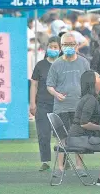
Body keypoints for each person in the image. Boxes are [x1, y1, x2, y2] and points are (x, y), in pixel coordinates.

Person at [67, 71, 100, 186]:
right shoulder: (90, 100)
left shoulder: (92, 98)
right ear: (92, 82)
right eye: (99, 77)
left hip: (80, 136)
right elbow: (84, 123)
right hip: (79, 138)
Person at [46, 32, 90, 177]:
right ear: (61, 47)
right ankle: (60, 168)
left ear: (76, 46)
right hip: (61, 108)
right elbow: (49, 86)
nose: (69, 47)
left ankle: (79, 166)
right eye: (65, 45)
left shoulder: (84, 62)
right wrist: (56, 94)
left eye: (71, 44)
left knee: (79, 138)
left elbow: (89, 82)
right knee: (61, 139)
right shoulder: (56, 64)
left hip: (79, 107)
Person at [30, 36, 61, 171]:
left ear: (60, 49)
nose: (53, 49)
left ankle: (62, 161)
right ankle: (46, 161)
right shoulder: (40, 65)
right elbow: (34, 85)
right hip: (42, 104)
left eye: (56, 47)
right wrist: (32, 103)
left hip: (60, 105)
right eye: (51, 46)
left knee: (61, 135)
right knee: (43, 135)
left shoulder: (63, 64)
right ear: (47, 48)